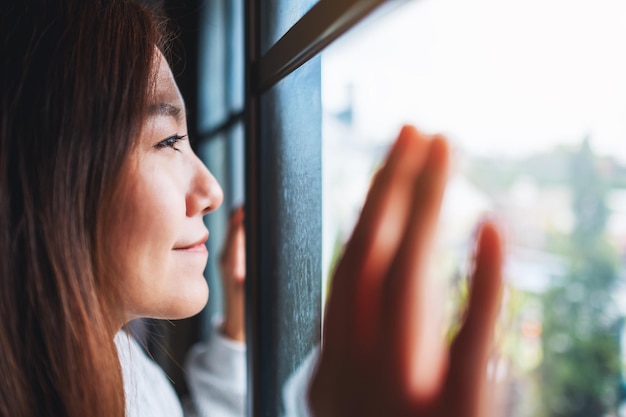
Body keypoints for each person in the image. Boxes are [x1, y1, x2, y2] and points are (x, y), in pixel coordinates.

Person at [0, 1, 504, 417]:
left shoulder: (111, 357)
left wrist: (238, 331)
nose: (212, 189)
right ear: (55, 169)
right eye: (169, 140)